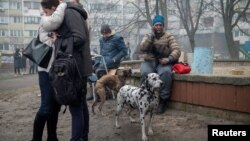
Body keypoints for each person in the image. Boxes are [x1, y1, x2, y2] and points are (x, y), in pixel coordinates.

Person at [52, 1, 92, 140]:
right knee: (80, 105)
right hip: (78, 65)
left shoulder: (70, 11)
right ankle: (83, 137)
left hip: (75, 67)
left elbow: (79, 37)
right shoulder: (76, 11)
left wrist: (58, 41)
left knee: (76, 107)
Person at [31, 1, 66, 141]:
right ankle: (36, 138)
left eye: (46, 11)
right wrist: (53, 40)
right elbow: (47, 40)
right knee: (46, 107)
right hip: (45, 71)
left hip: (56, 71)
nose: (45, 14)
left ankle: (52, 137)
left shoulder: (56, 19)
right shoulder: (46, 21)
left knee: (55, 105)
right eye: (44, 12)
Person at [140, 15, 181, 114]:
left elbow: (177, 49)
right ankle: (144, 98)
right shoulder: (148, 35)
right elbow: (142, 48)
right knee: (145, 72)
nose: (158, 27)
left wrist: (169, 59)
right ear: (153, 26)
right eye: (156, 25)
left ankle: (163, 101)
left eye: (160, 25)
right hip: (149, 61)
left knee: (166, 73)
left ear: (163, 26)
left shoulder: (168, 36)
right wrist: (151, 37)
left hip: (163, 62)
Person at [87, 24, 128, 100]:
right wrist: (97, 59)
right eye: (103, 34)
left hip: (113, 62)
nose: (105, 36)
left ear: (110, 32)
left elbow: (124, 51)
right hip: (103, 61)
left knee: (99, 71)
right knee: (90, 70)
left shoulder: (117, 38)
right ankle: (94, 93)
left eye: (106, 34)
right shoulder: (101, 40)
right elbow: (102, 52)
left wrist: (115, 59)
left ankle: (102, 93)